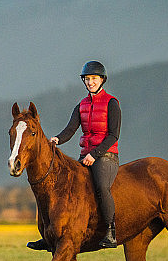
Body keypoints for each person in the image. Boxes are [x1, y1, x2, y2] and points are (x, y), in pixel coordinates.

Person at [27, 60, 121, 250]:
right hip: (85, 154)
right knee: (67, 186)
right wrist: (56, 140)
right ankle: (51, 234)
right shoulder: (81, 105)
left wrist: (95, 154)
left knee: (102, 188)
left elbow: (113, 135)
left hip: (106, 156)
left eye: (94, 78)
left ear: (102, 80)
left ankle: (111, 231)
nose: (90, 82)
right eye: (87, 79)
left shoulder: (112, 103)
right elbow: (70, 129)